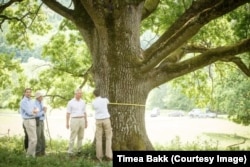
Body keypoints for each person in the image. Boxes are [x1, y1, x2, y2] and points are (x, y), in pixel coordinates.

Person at [92, 89, 113, 161]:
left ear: (94, 95)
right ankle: (109, 155)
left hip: (98, 121)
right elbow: (108, 102)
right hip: (106, 120)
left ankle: (99, 156)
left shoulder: (93, 102)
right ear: (100, 94)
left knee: (99, 139)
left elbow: (94, 108)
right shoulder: (105, 100)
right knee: (108, 137)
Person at [66, 88, 88, 155]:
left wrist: (86, 121)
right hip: (74, 120)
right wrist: (67, 123)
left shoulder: (83, 102)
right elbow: (68, 113)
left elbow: (84, 112)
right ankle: (70, 151)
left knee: (81, 136)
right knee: (73, 135)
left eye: (81, 93)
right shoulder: (70, 102)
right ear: (75, 94)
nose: (80, 94)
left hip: (82, 119)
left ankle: (79, 150)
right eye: (79, 93)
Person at [20, 88, 38, 157]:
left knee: (33, 139)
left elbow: (37, 109)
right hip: (28, 120)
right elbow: (29, 112)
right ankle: (28, 155)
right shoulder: (23, 101)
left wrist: (34, 111)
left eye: (30, 92)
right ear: (24, 93)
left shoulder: (32, 101)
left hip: (33, 120)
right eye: (27, 92)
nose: (28, 93)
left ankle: (32, 155)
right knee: (33, 139)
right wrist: (33, 111)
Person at [34, 91, 47, 156]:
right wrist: (43, 111)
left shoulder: (41, 102)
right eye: (41, 96)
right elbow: (36, 114)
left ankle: (43, 151)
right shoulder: (34, 103)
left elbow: (43, 112)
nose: (42, 97)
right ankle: (38, 152)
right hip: (37, 121)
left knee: (42, 136)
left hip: (42, 121)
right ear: (38, 97)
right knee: (38, 137)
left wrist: (44, 111)